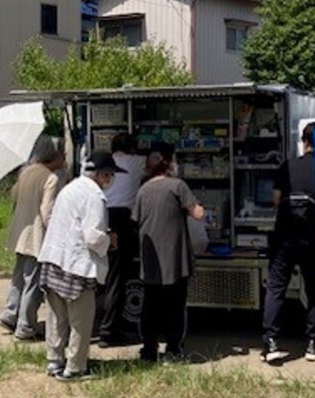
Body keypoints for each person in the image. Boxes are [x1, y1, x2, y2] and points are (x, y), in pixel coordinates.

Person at [38, 152, 125, 381]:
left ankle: (54, 361)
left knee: (56, 317)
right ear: (102, 175)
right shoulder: (94, 196)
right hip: (77, 265)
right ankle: (75, 368)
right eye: (109, 175)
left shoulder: (70, 187)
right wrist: (110, 240)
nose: (110, 180)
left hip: (53, 258)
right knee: (81, 320)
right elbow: (92, 236)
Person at [132, 143, 204, 363]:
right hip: (175, 258)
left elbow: (136, 219)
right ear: (168, 163)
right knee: (175, 306)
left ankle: (149, 350)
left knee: (150, 306)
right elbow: (198, 214)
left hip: (151, 258)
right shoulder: (178, 186)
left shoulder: (143, 189)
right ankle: (173, 351)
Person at [261, 122, 315, 363]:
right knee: (314, 290)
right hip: (312, 237)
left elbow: (276, 199)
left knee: (276, 287)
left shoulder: (288, 166)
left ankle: (271, 343)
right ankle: (314, 344)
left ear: (303, 142)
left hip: (285, 237)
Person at [0, 135, 65, 341]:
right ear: (55, 155)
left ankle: (10, 314)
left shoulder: (25, 172)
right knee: (33, 282)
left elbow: (15, 198)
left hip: (19, 232)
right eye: (63, 153)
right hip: (36, 236)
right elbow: (47, 211)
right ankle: (26, 327)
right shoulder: (50, 178)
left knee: (18, 278)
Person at [98, 133, 147, 348]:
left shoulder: (102, 162)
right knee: (117, 277)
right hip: (121, 222)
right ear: (132, 149)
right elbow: (155, 165)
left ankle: (92, 324)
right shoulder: (135, 161)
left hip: (100, 217)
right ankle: (109, 332)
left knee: (102, 275)